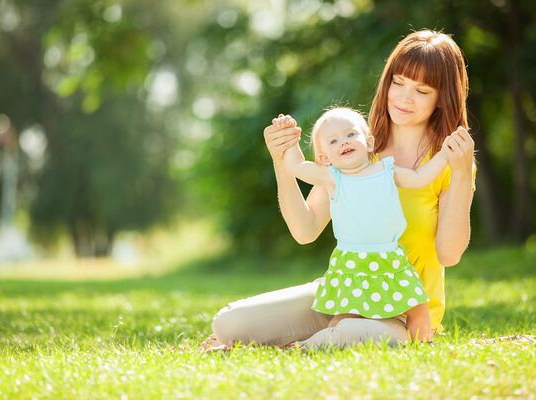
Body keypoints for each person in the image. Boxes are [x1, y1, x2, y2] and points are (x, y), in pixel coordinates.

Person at [201, 30, 475, 351]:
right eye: (398, 83)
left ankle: (302, 345)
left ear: (442, 98)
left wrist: (460, 174)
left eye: (421, 90)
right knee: (230, 323)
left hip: (402, 312)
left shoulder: (447, 162)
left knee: (353, 331)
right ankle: (312, 338)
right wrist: (282, 160)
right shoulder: (353, 146)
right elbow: (305, 230)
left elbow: (449, 254)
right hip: (345, 294)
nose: (404, 98)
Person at [276, 108, 451, 342]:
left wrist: (444, 155)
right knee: (346, 314)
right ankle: (326, 341)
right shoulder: (332, 177)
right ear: (324, 158)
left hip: (390, 258)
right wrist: (289, 138)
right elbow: (297, 166)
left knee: (418, 307)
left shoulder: (387, 170)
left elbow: (420, 178)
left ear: (369, 143)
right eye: (333, 141)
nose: (344, 142)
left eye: (351, 135)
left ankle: (424, 344)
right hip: (352, 261)